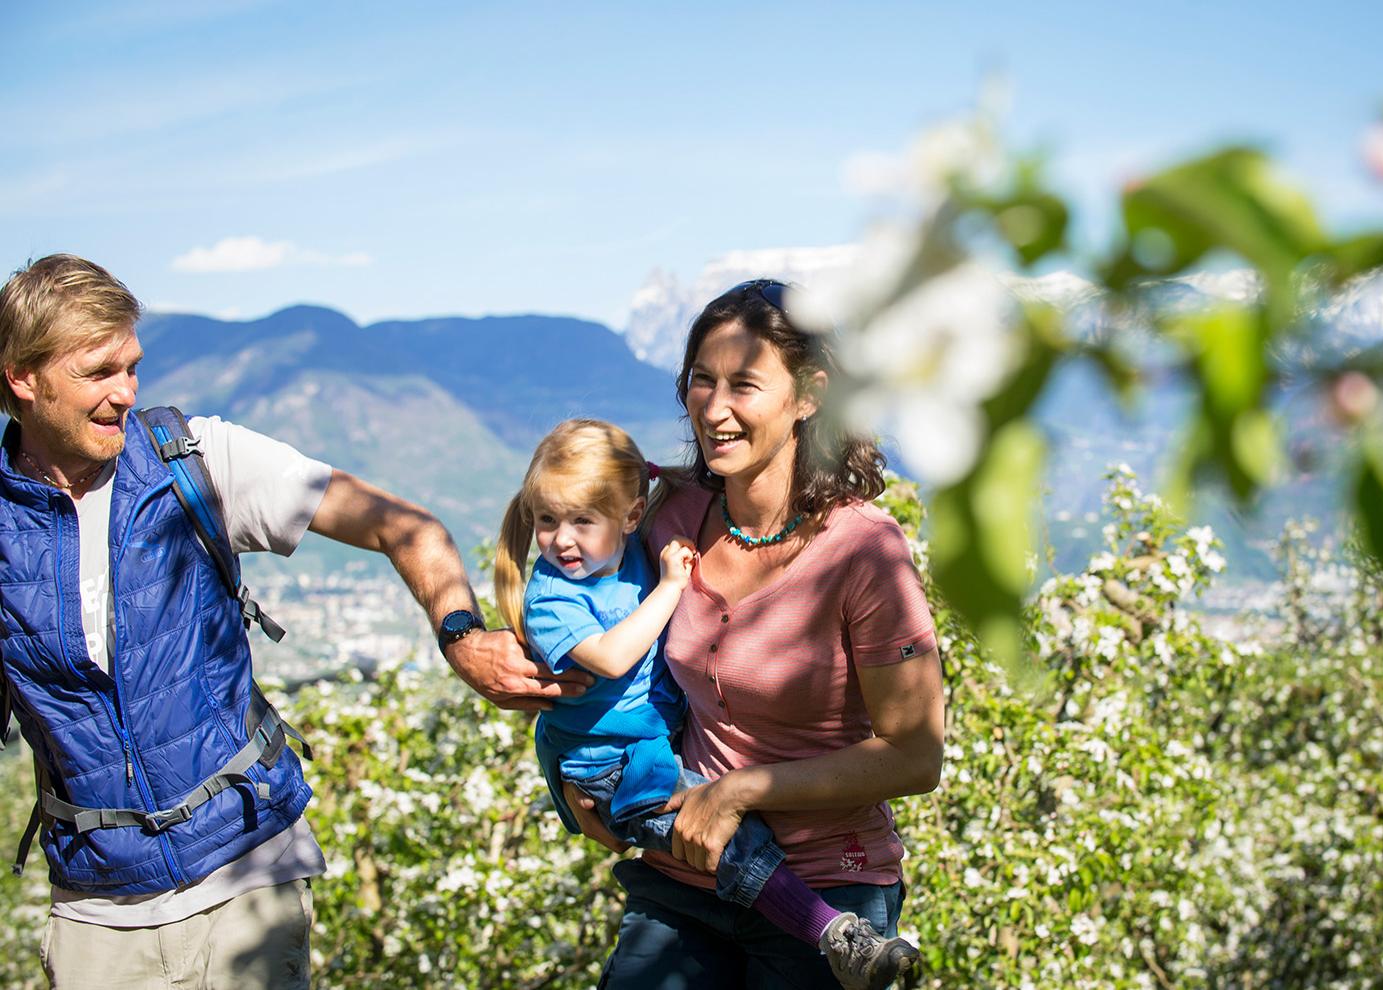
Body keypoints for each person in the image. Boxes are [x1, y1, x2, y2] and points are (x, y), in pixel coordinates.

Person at [0, 254, 589, 990]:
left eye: (133, 367)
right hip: (97, 913)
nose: (127, 393)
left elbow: (403, 526)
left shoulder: (194, 459)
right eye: (99, 373)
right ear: (24, 379)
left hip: (247, 874)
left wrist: (460, 638)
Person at [564, 280, 945, 989]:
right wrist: (579, 779)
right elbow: (573, 589)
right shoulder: (671, 514)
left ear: (809, 396)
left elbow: (917, 755)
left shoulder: (864, 551)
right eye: (701, 382)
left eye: (744, 384)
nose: (715, 409)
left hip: (828, 895)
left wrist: (739, 792)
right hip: (686, 874)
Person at [493, 418, 921, 990]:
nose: (561, 539)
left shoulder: (636, 546)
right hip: (627, 780)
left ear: (629, 517)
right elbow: (610, 662)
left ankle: (836, 931)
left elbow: (916, 754)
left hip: (825, 859)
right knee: (734, 846)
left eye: (580, 521)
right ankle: (835, 935)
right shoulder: (571, 584)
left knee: (732, 839)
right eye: (546, 521)